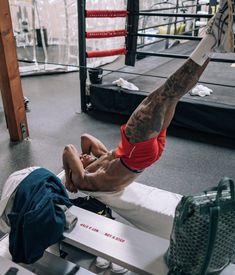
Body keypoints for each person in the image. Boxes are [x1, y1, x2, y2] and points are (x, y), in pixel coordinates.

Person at [63, 0, 234, 193]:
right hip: (135, 152)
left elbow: (85, 138)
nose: (82, 156)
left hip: (141, 154)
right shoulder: (85, 179)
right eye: (82, 160)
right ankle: (212, 38)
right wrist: (69, 176)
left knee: (173, 95)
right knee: (167, 91)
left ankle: (212, 44)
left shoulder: (101, 160)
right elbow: (68, 149)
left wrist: (85, 157)